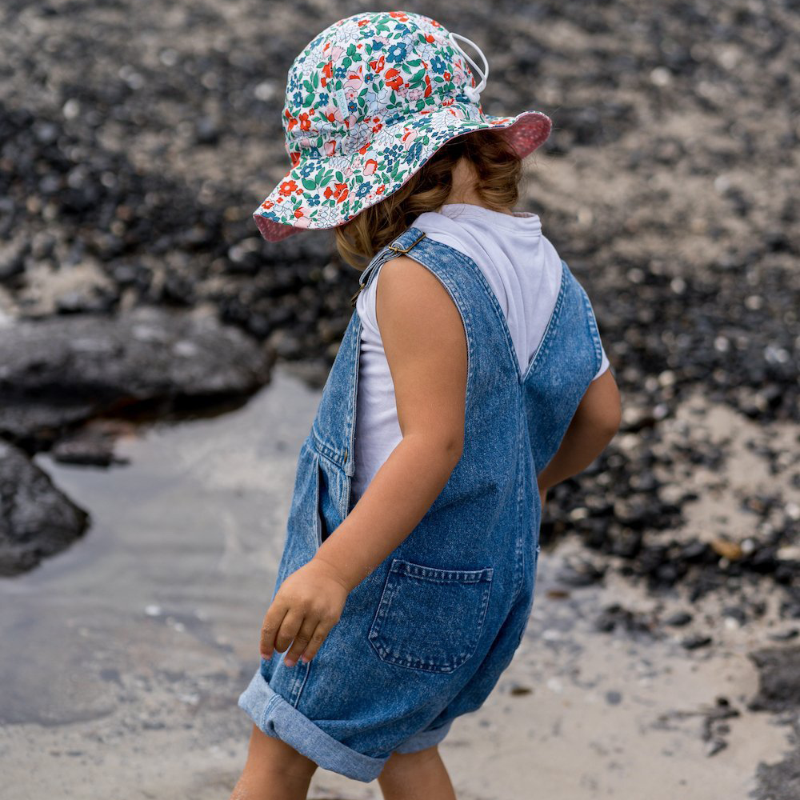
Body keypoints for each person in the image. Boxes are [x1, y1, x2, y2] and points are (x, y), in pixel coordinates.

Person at [231, 10, 621, 800]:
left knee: (277, 745)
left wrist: (332, 572)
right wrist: (526, 492)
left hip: (387, 576)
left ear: (381, 172)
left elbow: (433, 444)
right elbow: (602, 415)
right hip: (486, 580)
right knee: (405, 743)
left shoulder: (415, 274)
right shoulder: (541, 261)